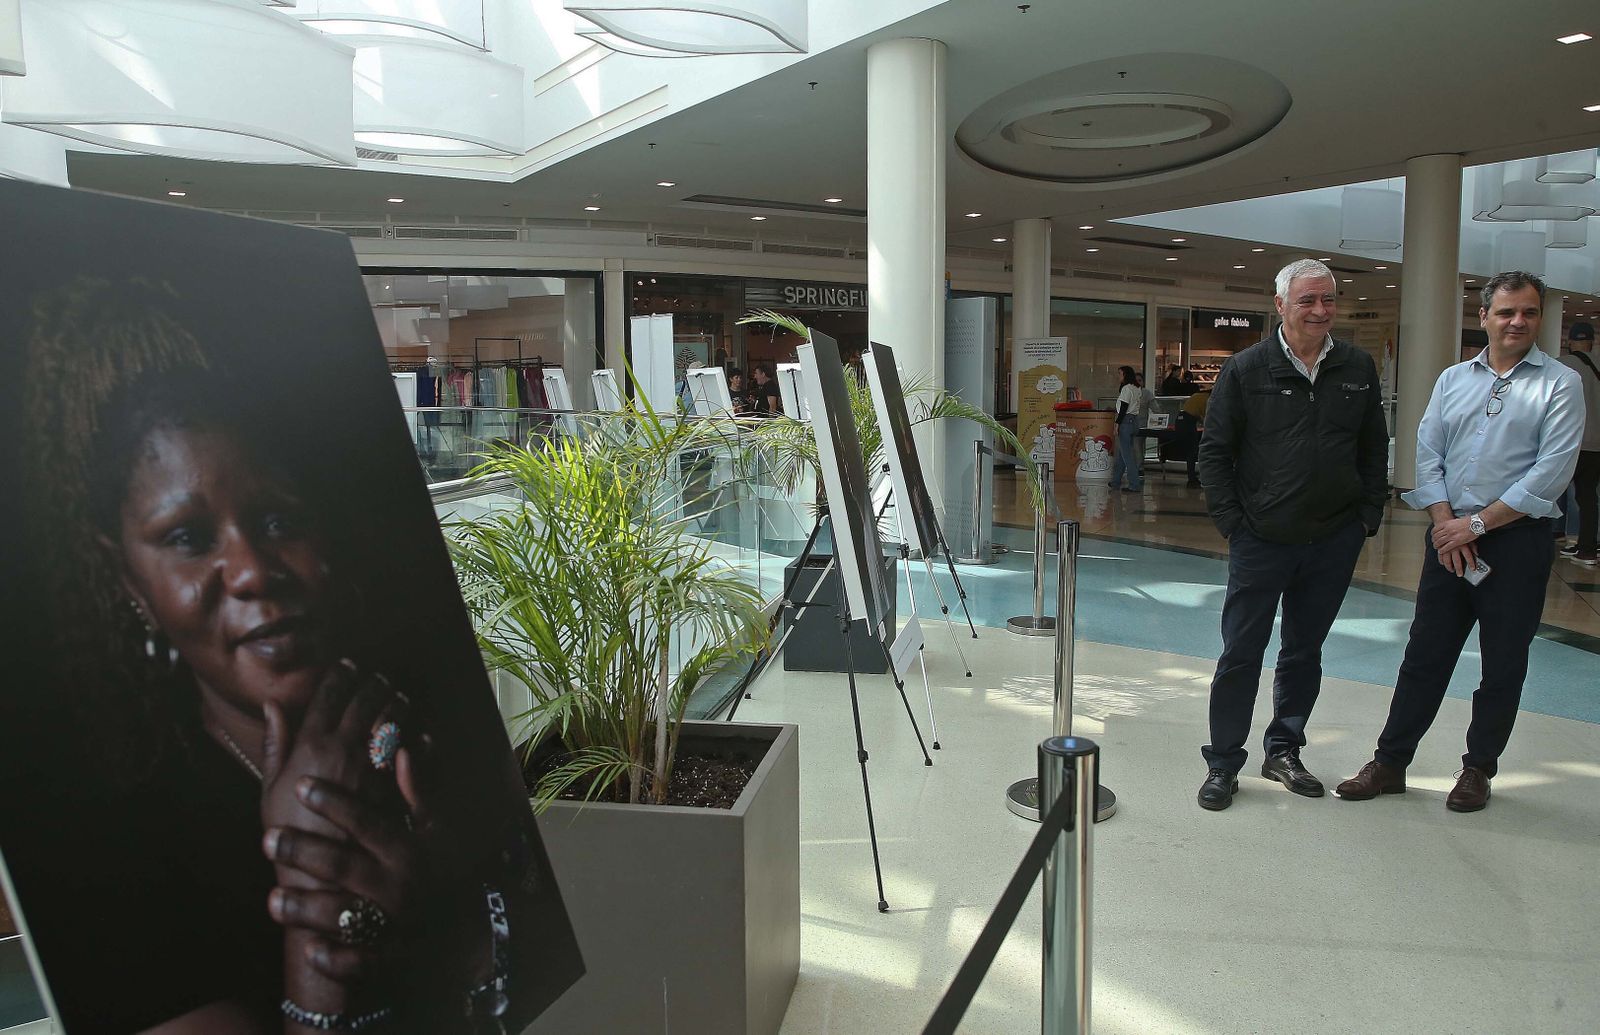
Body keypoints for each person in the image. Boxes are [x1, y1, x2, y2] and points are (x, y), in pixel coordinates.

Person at [13, 280, 574, 1032]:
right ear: (126, 580)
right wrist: (326, 953)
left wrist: (451, 897)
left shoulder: (445, 740)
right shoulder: (113, 861)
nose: (251, 570)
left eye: (277, 520)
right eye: (188, 537)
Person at [1336, 271, 1584, 812]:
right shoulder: (1452, 379)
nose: (1518, 321)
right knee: (1424, 656)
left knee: (1502, 663)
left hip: (1516, 543)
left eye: (1529, 312)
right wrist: (1447, 525)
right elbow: (1428, 454)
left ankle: (1477, 770)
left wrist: (1474, 526)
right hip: (1449, 539)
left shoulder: (1561, 384)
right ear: (1484, 317)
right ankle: (1390, 761)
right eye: (1506, 312)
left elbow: (1551, 472)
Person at [1194, 258, 1388, 811]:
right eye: (1307, 301)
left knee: (1304, 652)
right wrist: (1234, 523)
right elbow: (1215, 453)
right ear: (1280, 305)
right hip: (1262, 539)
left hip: (1332, 539)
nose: (1320, 311)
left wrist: (1366, 515)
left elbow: (1374, 446)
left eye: (1328, 299)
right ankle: (1224, 762)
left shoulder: (1356, 366)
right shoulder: (1246, 368)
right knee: (1241, 653)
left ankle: (1284, 751)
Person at [1556, 322, 1599, 566]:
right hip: (1597, 446)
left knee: (1548, 489)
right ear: (1592, 341)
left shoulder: (1561, 365)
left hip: (1571, 443)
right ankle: (1587, 549)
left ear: (1570, 341)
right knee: (1588, 497)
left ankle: (1553, 533)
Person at [1107, 365, 1144, 492]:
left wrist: (1117, 424)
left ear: (1125, 375)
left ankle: (1134, 484)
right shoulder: (1137, 388)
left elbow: (1123, 407)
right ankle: (1116, 480)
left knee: (1127, 455)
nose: (1119, 376)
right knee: (1123, 453)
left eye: (1120, 374)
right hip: (1134, 421)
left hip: (1125, 421)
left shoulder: (1126, 389)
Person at [1180, 386, 1211, 486]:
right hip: (1189, 423)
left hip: (1181, 420)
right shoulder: (1209, 399)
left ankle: (1192, 477)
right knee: (1193, 452)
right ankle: (1192, 479)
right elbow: (1207, 417)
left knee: (1191, 451)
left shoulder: (1197, 395)